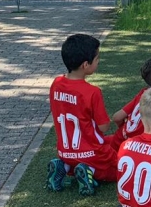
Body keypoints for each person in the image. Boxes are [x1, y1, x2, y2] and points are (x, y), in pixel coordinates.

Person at [47, 33, 118, 196]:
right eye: (97, 58)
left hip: (65, 151)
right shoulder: (92, 92)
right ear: (86, 64)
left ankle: (64, 166)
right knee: (119, 170)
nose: (99, 61)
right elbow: (103, 127)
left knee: (113, 140)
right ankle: (89, 171)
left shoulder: (56, 84)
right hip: (92, 153)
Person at [110, 56, 151, 148]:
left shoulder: (143, 93)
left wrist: (125, 129)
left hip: (118, 140)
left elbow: (117, 117)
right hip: (135, 147)